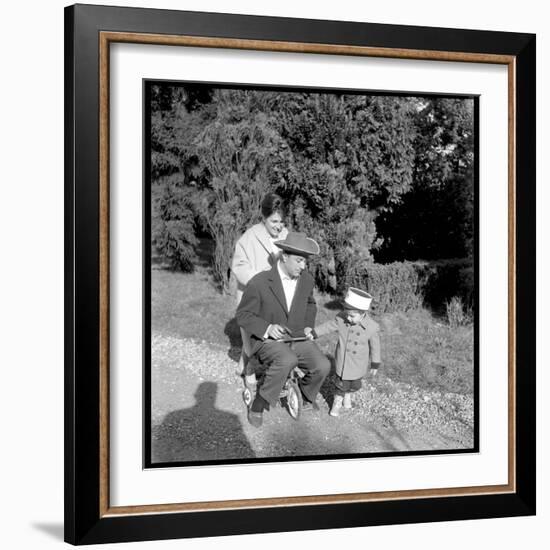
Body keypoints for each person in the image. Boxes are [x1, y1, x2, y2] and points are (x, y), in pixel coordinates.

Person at [236, 232, 330, 428]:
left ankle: (303, 396)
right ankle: (259, 404)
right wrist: (267, 328)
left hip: (297, 337)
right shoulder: (260, 282)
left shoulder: (306, 280)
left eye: (305, 262)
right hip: (268, 341)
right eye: (298, 261)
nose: (303, 266)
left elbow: (311, 304)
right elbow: (243, 315)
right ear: (284, 257)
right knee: (287, 359)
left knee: (323, 365)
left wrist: (307, 325)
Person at [231, 194, 288, 385]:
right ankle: (249, 369)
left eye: (281, 221)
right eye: (273, 221)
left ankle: (250, 363)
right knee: (250, 333)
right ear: (263, 218)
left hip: (275, 297)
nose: (278, 226)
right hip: (252, 295)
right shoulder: (250, 236)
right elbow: (239, 266)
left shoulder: (285, 235)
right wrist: (259, 280)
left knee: (271, 334)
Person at [306, 287, 381, 417]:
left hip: (358, 363)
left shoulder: (371, 327)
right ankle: (337, 403)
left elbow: (375, 346)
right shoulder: (342, 319)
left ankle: (348, 396)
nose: (349, 318)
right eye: (347, 314)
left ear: (363, 314)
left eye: (352, 316)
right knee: (340, 385)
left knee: (354, 384)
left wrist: (375, 363)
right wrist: (315, 332)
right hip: (343, 361)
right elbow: (328, 326)